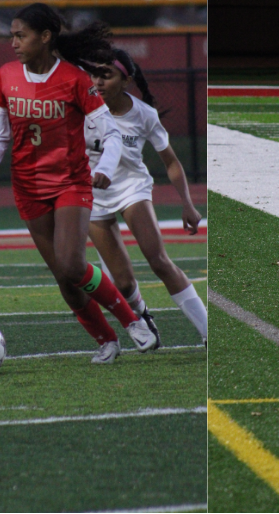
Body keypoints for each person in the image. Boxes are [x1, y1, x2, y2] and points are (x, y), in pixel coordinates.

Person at [0, 3, 157, 364]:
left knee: (72, 264)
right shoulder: (5, 76)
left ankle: (133, 322)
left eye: (20, 35)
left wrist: (105, 165)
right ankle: (106, 341)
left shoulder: (74, 79)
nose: (13, 43)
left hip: (71, 183)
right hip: (27, 188)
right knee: (64, 279)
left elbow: (113, 134)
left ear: (45, 37)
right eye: (12, 35)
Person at [79, 47, 207, 347]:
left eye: (106, 75)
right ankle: (144, 317)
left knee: (159, 261)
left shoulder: (144, 114)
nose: (97, 81)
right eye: (94, 74)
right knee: (122, 283)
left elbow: (171, 162)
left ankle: (206, 329)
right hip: (94, 196)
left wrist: (187, 203)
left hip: (131, 189)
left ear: (126, 81)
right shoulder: (81, 109)